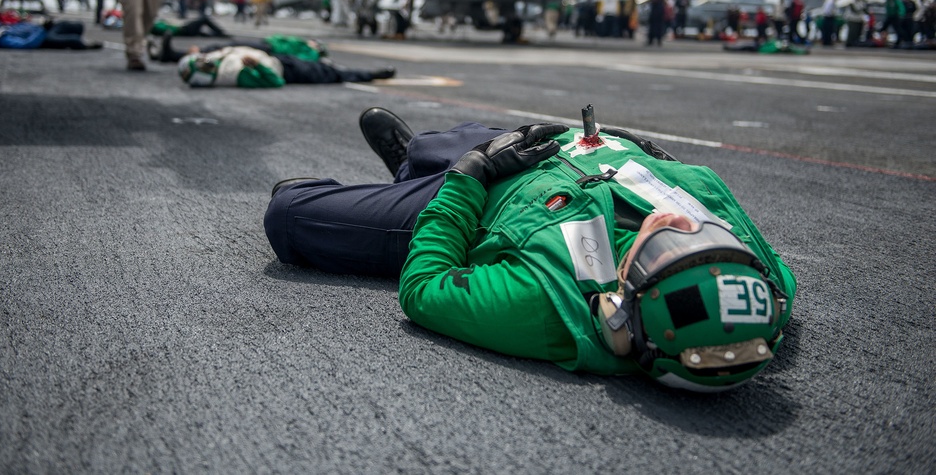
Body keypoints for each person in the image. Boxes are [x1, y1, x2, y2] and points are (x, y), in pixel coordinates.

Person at [264, 108, 797, 392]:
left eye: (665, 248)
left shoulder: (548, 308)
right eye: (707, 239)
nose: (678, 221)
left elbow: (425, 287)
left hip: (483, 202)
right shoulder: (761, 279)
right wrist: (649, 154)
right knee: (441, 141)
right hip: (565, 150)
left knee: (291, 215)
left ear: (617, 306)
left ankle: (417, 176)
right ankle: (413, 161)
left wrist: (471, 177)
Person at [175, 44, 395, 88]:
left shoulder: (218, 64)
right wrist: (257, 67)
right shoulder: (235, 75)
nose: (207, 60)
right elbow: (275, 81)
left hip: (278, 58)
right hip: (288, 70)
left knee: (326, 66)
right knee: (333, 74)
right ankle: (370, 74)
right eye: (202, 64)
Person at [0, 17, 102, 50]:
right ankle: (87, 45)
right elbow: (27, 43)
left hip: (39, 29)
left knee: (73, 25)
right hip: (43, 38)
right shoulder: (2, 39)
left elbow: (17, 26)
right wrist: (41, 30)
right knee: (73, 40)